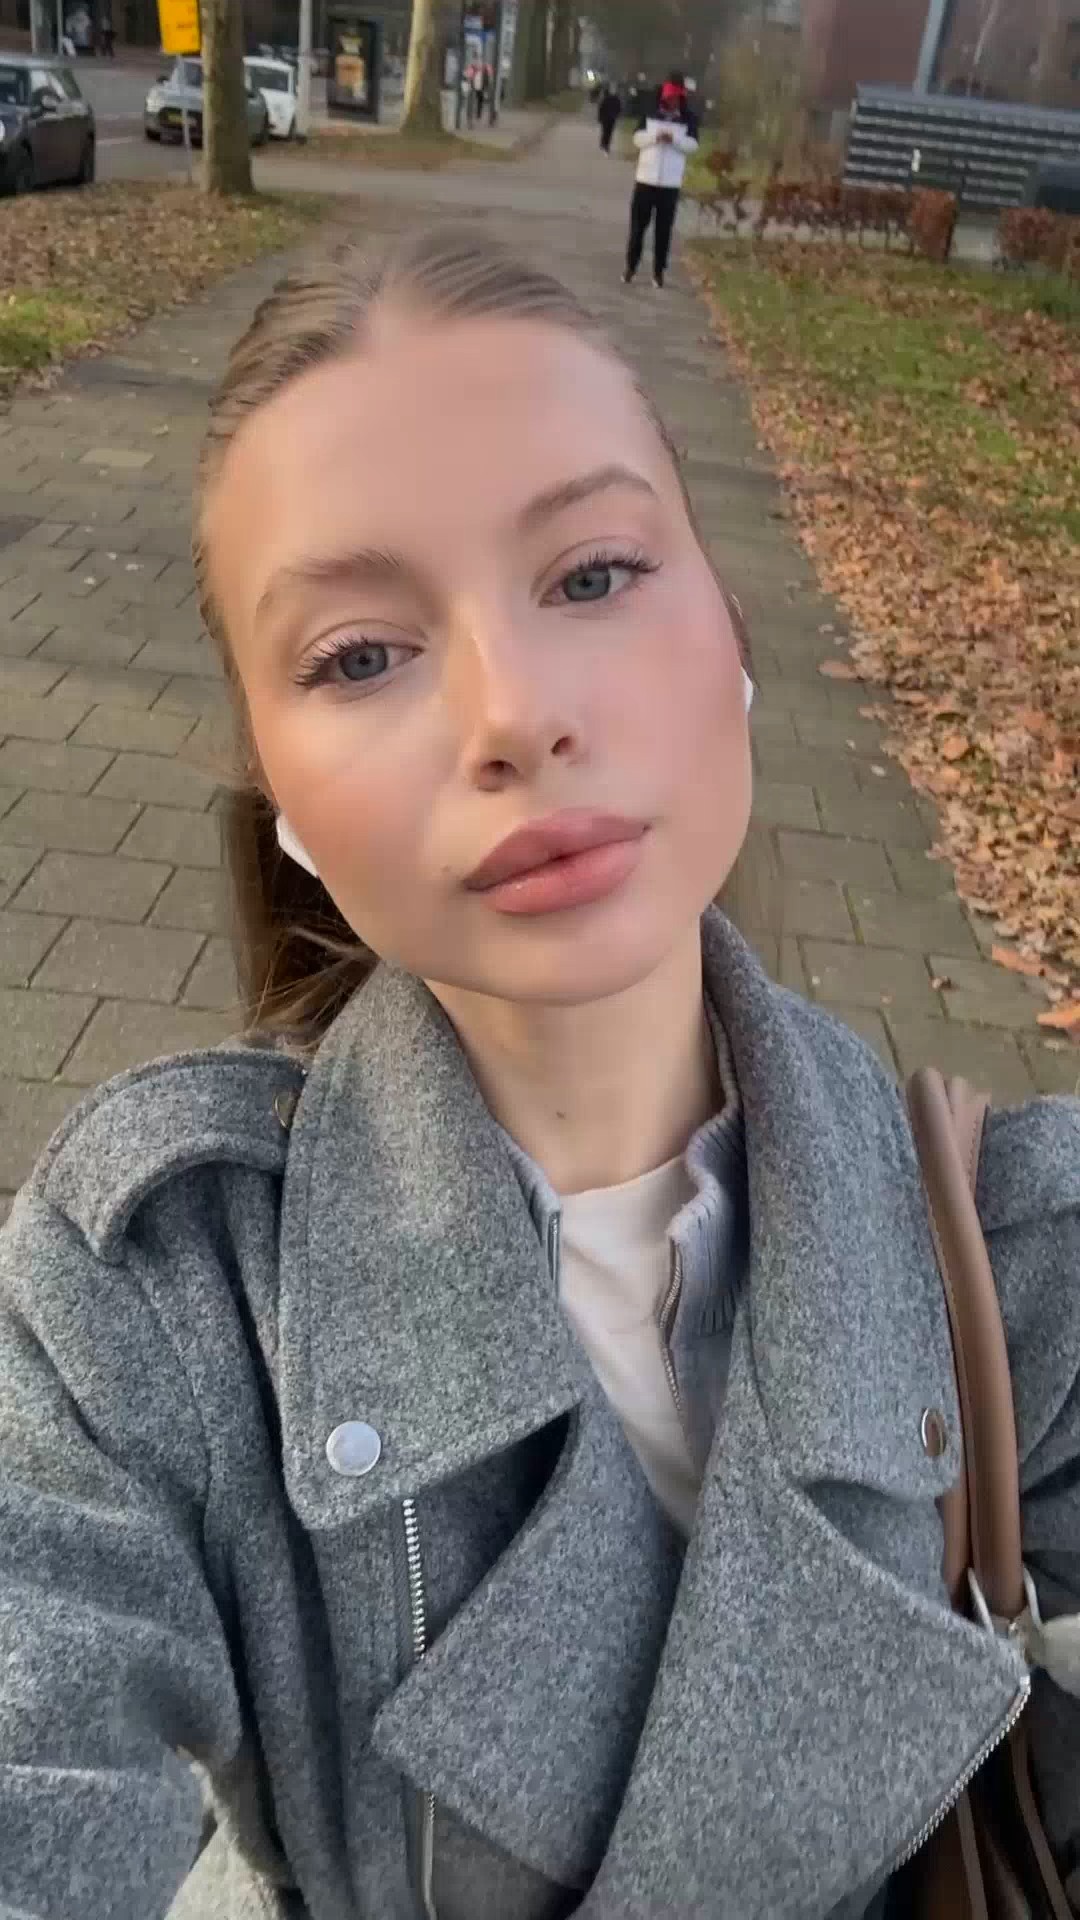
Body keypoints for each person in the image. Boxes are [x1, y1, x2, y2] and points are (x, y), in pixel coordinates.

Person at [1, 224, 1079, 1920]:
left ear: (733, 630)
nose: (513, 714)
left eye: (591, 576)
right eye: (361, 655)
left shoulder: (1018, 1260)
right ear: (281, 797)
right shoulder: (154, 1289)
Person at [623, 71, 699, 289]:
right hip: (646, 179)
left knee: (663, 231)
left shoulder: (688, 119)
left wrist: (674, 140)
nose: (673, 102)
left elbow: (693, 145)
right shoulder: (650, 114)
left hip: (670, 183)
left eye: (676, 99)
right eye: (670, 99)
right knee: (638, 228)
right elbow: (637, 139)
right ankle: (631, 266)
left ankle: (658, 271)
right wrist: (654, 137)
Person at [597, 81, 621, 154]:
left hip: (609, 118)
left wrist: (600, 117)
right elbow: (601, 108)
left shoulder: (611, 99)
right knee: (607, 132)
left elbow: (601, 109)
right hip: (609, 118)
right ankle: (605, 144)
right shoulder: (612, 99)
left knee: (607, 132)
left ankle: (605, 144)